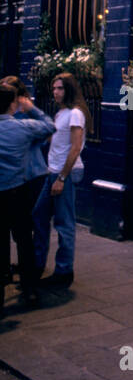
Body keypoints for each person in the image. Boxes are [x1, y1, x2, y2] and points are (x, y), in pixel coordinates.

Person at [0, 82, 55, 313]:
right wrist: (31, 108)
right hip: (18, 191)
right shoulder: (23, 127)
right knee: (24, 240)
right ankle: (30, 289)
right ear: (13, 104)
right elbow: (50, 126)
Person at [32, 72, 88, 288]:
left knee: (64, 223)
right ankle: (36, 265)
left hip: (64, 173)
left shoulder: (75, 114)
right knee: (39, 215)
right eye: (54, 88)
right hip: (52, 171)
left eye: (60, 88)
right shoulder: (61, 113)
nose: (55, 92)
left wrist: (62, 178)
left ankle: (64, 272)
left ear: (70, 89)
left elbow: (75, 148)